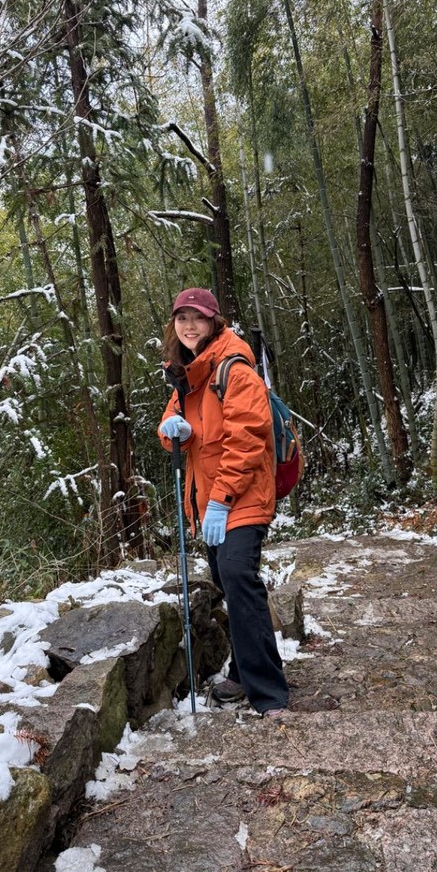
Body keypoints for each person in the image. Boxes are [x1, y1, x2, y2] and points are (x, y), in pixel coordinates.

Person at [158, 287, 290, 719]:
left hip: (241, 496)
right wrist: (173, 431)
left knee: (237, 577)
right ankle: (243, 671)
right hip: (209, 502)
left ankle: (269, 694)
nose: (189, 325)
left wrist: (221, 501)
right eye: (182, 318)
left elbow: (247, 440)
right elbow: (171, 423)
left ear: (213, 321)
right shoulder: (188, 374)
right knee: (230, 584)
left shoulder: (234, 368)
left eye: (197, 317)